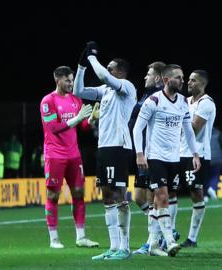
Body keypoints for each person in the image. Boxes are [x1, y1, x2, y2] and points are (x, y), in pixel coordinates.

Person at [74, 42, 137, 260]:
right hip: (104, 147)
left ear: (120, 72)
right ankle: (113, 247)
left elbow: (102, 75)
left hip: (119, 147)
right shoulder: (105, 91)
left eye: (111, 67)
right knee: (107, 196)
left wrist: (91, 57)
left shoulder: (126, 86)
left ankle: (125, 248)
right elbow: (78, 91)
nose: (107, 69)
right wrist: (82, 66)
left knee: (120, 196)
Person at [133, 64, 201, 257]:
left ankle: (153, 244)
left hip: (175, 158)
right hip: (155, 157)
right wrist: (140, 154)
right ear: (166, 80)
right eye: (178, 77)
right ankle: (169, 241)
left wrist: (195, 154)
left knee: (161, 201)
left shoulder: (182, 102)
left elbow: (188, 129)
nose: (182, 80)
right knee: (162, 197)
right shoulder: (153, 101)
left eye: (183, 77)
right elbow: (138, 129)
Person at [40, 65, 98, 249]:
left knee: (79, 194)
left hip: (74, 155)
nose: (71, 83)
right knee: (53, 195)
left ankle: (81, 237)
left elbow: (83, 128)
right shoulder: (48, 101)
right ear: (57, 80)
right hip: (55, 155)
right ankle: (54, 238)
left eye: (72, 80)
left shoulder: (75, 100)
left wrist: (91, 119)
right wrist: (77, 118)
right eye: (67, 80)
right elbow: (53, 129)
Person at [130, 61, 166, 255]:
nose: (145, 76)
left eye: (149, 73)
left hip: (152, 153)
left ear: (159, 78)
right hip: (141, 152)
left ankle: (152, 241)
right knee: (138, 196)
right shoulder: (146, 94)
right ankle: (164, 227)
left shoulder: (159, 97)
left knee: (153, 199)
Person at [177, 70, 216, 248]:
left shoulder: (206, 103)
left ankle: (192, 238)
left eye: (193, 81)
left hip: (198, 155)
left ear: (202, 84)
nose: (189, 83)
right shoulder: (185, 101)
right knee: (169, 191)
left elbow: (194, 129)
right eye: (189, 80)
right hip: (178, 153)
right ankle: (168, 234)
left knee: (195, 194)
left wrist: (172, 123)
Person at [207, 126, 222, 200]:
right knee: (215, 176)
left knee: (205, 177)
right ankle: (212, 188)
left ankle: (205, 194)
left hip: (206, 157)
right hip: (217, 159)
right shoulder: (217, 132)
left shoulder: (202, 131)